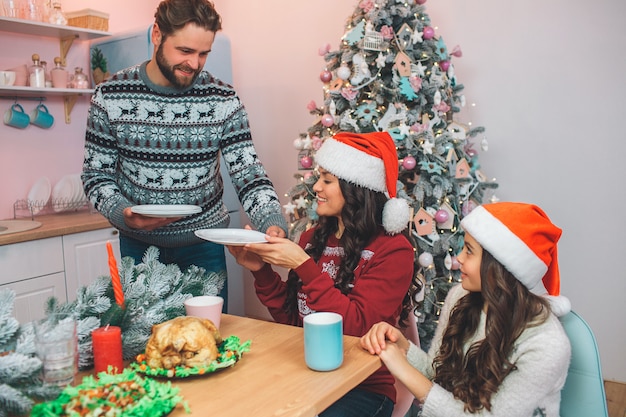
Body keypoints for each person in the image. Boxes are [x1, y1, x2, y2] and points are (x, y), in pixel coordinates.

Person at [81, 0, 287, 310]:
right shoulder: (110, 96)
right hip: (137, 248)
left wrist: (270, 220)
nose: (194, 63)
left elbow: (249, 173)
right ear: (156, 35)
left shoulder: (223, 99)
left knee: (206, 345)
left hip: (204, 246)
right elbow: (96, 175)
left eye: (204, 53)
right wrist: (121, 210)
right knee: (143, 348)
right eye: (185, 51)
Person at [228, 131, 416, 417]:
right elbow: (294, 321)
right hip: (307, 373)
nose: (316, 186)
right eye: (319, 177)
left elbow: (357, 330)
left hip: (363, 389)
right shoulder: (312, 238)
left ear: (357, 188)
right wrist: (261, 271)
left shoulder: (394, 251)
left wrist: (304, 266)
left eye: (327, 180)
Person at [361, 202, 572, 416]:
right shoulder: (461, 298)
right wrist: (403, 347)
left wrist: (404, 371)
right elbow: (437, 373)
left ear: (500, 267)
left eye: (469, 251)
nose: (459, 258)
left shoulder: (547, 346)